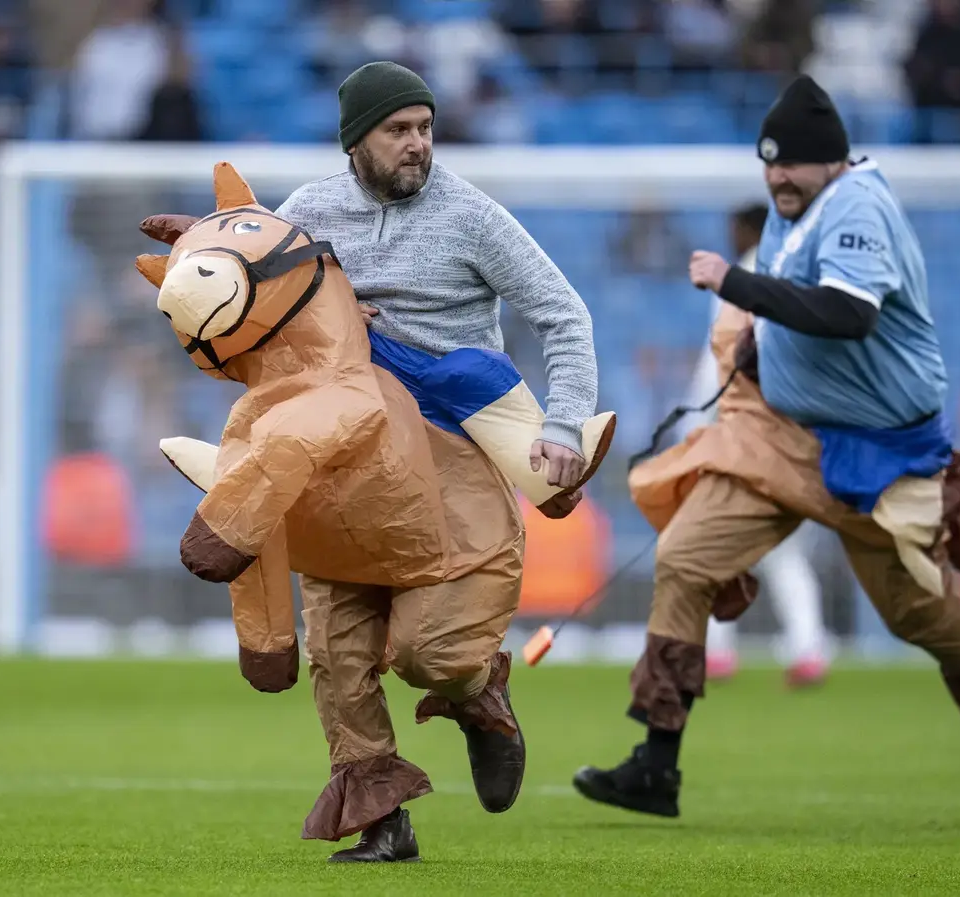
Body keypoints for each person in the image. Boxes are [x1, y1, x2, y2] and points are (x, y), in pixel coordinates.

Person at [572, 75, 960, 819]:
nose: (777, 176)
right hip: (783, 437)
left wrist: (735, 283)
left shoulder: (858, 207)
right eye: (767, 162)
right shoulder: (793, 209)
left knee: (916, 614)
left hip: (876, 450)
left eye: (792, 163)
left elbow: (848, 314)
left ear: (832, 160)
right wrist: (755, 348)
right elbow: (792, 306)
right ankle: (657, 760)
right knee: (685, 556)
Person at [274, 62, 600, 861]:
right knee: (336, 653)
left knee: (429, 653)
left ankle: (476, 686)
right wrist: (328, 313)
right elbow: (251, 316)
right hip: (342, 462)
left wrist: (563, 423)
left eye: (425, 127)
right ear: (356, 140)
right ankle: (384, 822)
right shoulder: (303, 216)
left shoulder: (471, 216)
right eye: (399, 130)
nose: (418, 144)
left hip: (452, 452)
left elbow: (564, 315)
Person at [686, 204, 834, 687]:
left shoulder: (736, 279)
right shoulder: (798, 277)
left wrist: (692, 423)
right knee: (785, 551)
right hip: (793, 435)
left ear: (745, 230)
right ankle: (808, 649)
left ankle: (717, 653)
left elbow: (719, 359)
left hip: (742, 434)